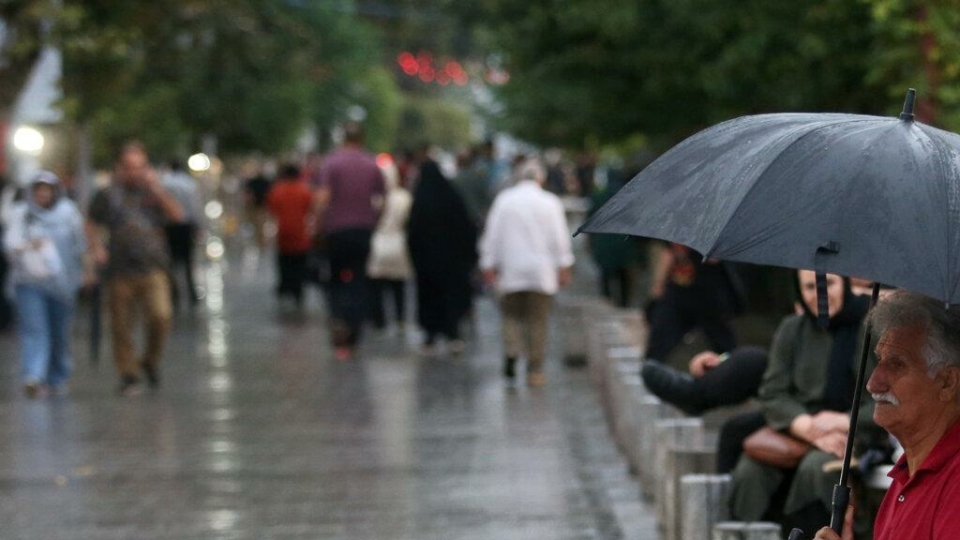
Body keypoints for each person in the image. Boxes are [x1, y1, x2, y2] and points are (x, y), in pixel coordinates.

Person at [728, 270, 882, 536]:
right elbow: (773, 393)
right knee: (750, 472)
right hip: (799, 429)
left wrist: (842, 421)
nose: (820, 296)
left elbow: (886, 400)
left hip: (854, 433)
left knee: (817, 469)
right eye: (810, 287)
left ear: (845, 283)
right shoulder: (792, 329)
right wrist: (809, 427)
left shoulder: (870, 329)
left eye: (829, 284)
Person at [814, 291, 960, 540]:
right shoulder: (907, 470)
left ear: (947, 382)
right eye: (879, 360)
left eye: (897, 364)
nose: (873, 383)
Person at [87, 141, 184, 396]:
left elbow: (177, 216)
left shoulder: (155, 193)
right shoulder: (107, 194)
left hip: (153, 265)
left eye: (139, 167)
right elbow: (91, 222)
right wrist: (96, 248)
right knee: (121, 325)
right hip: (119, 268)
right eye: (129, 167)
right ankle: (128, 373)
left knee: (161, 315)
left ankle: (150, 360)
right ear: (120, 168)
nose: (134, 172)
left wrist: (157, 190)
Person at [480, 157, 575, 387]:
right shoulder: (550, 202)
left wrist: (488, 264)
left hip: (511, 270)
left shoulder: (504, 200)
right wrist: (564, 266)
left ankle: (512, 351)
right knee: (538, 320)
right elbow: (560, 238)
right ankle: (535, 369)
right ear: (540, 178)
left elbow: (492, 235)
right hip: (541, 272)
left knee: (511, 316)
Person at [2, 171, 87, 397]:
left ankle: (57, 375)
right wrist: (28, 247)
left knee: (58, 332)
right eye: (37, 190)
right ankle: (33, 375)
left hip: (62, 284)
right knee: (34, 330)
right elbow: (8, 245)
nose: (41, 194)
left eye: (46, 190)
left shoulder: (68, 214)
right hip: (29, 282)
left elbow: (80, 246)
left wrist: (86, 273)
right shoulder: (21, 213)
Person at [315, 122, 385, 360]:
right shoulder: (371, 164)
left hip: (336, 231)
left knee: (335, 279)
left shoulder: (331, 163)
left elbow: (322, 199)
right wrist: (375, 220)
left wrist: (318, 223)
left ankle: (338, 320)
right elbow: (382, 198)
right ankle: (354, 330)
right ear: (362, 139)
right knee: (359, 280)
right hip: (363, 230)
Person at [407, 159, 477, 353]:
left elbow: (412, 232)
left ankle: (430, 334)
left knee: (429, 297)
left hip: (426, 262)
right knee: (451, 296)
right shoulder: (452, 197)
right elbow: (466, 228)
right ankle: (452, 333)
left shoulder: (420, 200)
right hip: (452, 262)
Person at [645, 243, 745, 362]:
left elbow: (717, 258)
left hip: (708, 296)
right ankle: (651, 368)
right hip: (678, 293)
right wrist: (659, 285)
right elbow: (669, 253)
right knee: (660, 339)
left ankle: (732, 370)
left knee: (724, 344)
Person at [366, 161, 412, 330]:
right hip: (399, 243)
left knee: (376, 286)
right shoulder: (405, 197)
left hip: (378, 242)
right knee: (398, 286)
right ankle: (400, 318)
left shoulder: (375, 198)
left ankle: (379, 320)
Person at [266, 164, 314, 308]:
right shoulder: (304, 191)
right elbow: (311, 209)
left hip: (283, 233)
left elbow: (271, 209)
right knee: (300, 263)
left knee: (284, 262)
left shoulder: (277, 190)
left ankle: (285, 286)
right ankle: (297, 290)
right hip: (301, 233)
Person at [162, 159, 204, 309]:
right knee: (188, 261)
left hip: (169, 227)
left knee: (171, 261)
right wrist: (198, 226)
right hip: (185, 225)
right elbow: (195, 206)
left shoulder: (164, 182)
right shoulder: (189, 183)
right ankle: (191, 292)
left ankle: (174, 293)